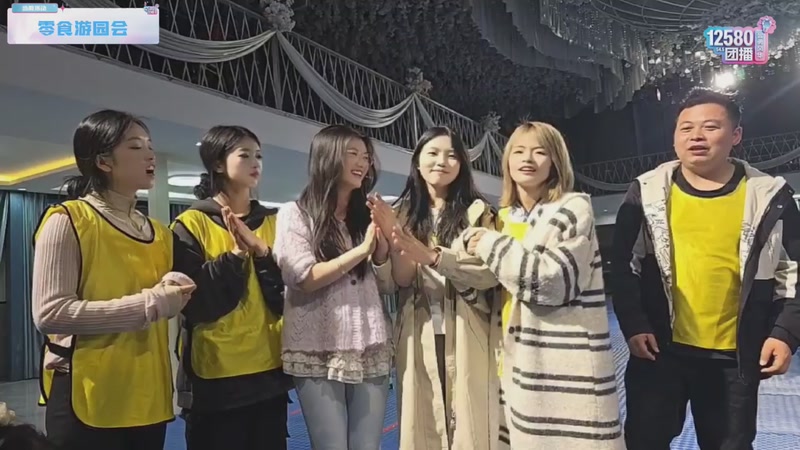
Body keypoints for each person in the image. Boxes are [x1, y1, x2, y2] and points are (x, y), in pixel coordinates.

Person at [31, 109, 240, 450]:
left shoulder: (160, 233)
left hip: (148, 395)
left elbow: (179, 297)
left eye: (149, 145)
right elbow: (51, 314)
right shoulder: (68, 220)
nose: (150, 154)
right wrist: (150, 304)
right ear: (103, 161)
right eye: (135, 146)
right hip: (89, 393)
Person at [612, 87, 800, 450]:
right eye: (686, 128)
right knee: (644, 442)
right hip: (658, 351)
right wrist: (635, 324)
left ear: (736, 135)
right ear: (674, 138)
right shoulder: (646, 193)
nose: (696, 136)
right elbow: (623, 266)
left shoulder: (769, 197)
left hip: (733, 357)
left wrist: (785, 333)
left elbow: (793, 272)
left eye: (710, 127)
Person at [464, 121, 623, 449]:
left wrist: (488, 243)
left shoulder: (572, 208)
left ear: (555, 162)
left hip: (563, 364)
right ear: (507, 161)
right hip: (513, 356)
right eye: (519, 151)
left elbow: (552, 282)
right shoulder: (502, 218)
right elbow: (486, 288)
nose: (528, 159)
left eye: (540, 152)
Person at [367, 127, 501, 449]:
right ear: (417, 161)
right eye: (433, 153)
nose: (442, 161)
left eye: (451, 155)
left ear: (462, 165)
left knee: (470, 425)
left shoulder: (479, 213)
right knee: (424, 425)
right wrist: (391, 244)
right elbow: (396, 282)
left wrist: (433, 256)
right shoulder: (400, 213)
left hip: (468, 328)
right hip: (418, 330)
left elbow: (488, 274)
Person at [273, 124, 394, 450]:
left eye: (366, 156)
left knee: (367, 446)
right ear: (327, 157)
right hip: (318, 348)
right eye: (352, 153)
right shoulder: (295, 214)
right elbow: (304, 277)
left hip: (370, 346)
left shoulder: (364, 216)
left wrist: (384, 240)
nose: (362, 162)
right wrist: (361, 251)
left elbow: (386, 283)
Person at [172, 126, 291, 450]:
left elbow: (288, 295)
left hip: (269, 372)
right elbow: (197, 303)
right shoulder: (190, 224)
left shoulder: (276, 222)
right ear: (218, 164)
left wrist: (263, 254)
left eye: (259, 155)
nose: (256, 162)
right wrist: (237, 254)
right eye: (245, 155)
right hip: (216, 379)